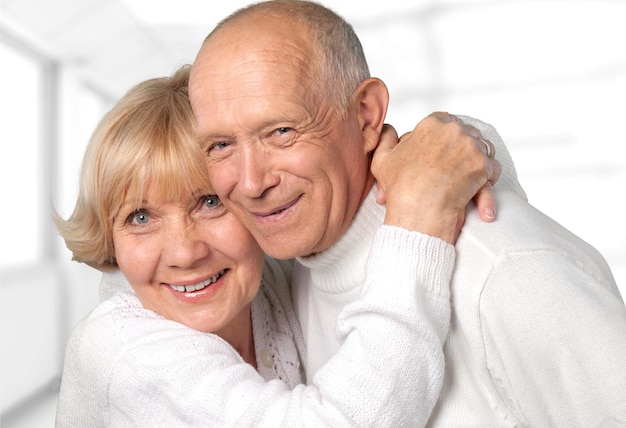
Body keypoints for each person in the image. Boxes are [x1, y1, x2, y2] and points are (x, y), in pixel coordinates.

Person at [187, 1, 626, 426]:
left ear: (366, 115)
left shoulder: (504, 271)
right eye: (221, 145)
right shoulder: (289, 269)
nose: (249, 183)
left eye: (282, 132)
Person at [55, 65, 497, 427]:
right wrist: (417, 223)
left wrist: (405, 156)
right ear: (110, 236)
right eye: (141, 218)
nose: (184, 253)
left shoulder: (272, 280)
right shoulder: (123, 351)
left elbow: (455, 157)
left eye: (209, 203)